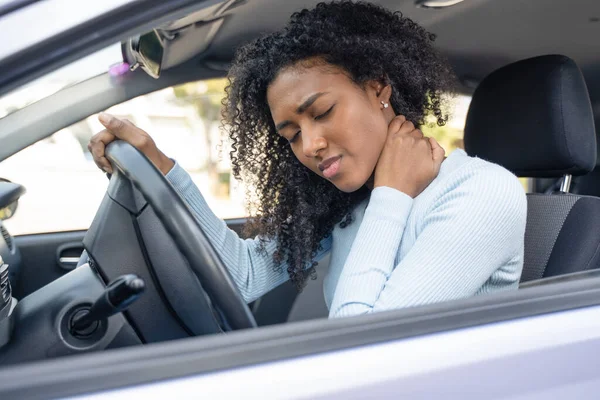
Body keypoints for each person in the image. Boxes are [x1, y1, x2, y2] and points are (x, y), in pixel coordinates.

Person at [88, 1, 527, 319]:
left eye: (322, 113)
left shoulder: (480, 191)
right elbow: (243, 275)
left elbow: (362, 347)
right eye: (292, 134)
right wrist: (161, 167)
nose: (310, 145)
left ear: (378, 89)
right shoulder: (350, 203)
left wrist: (393, 195)